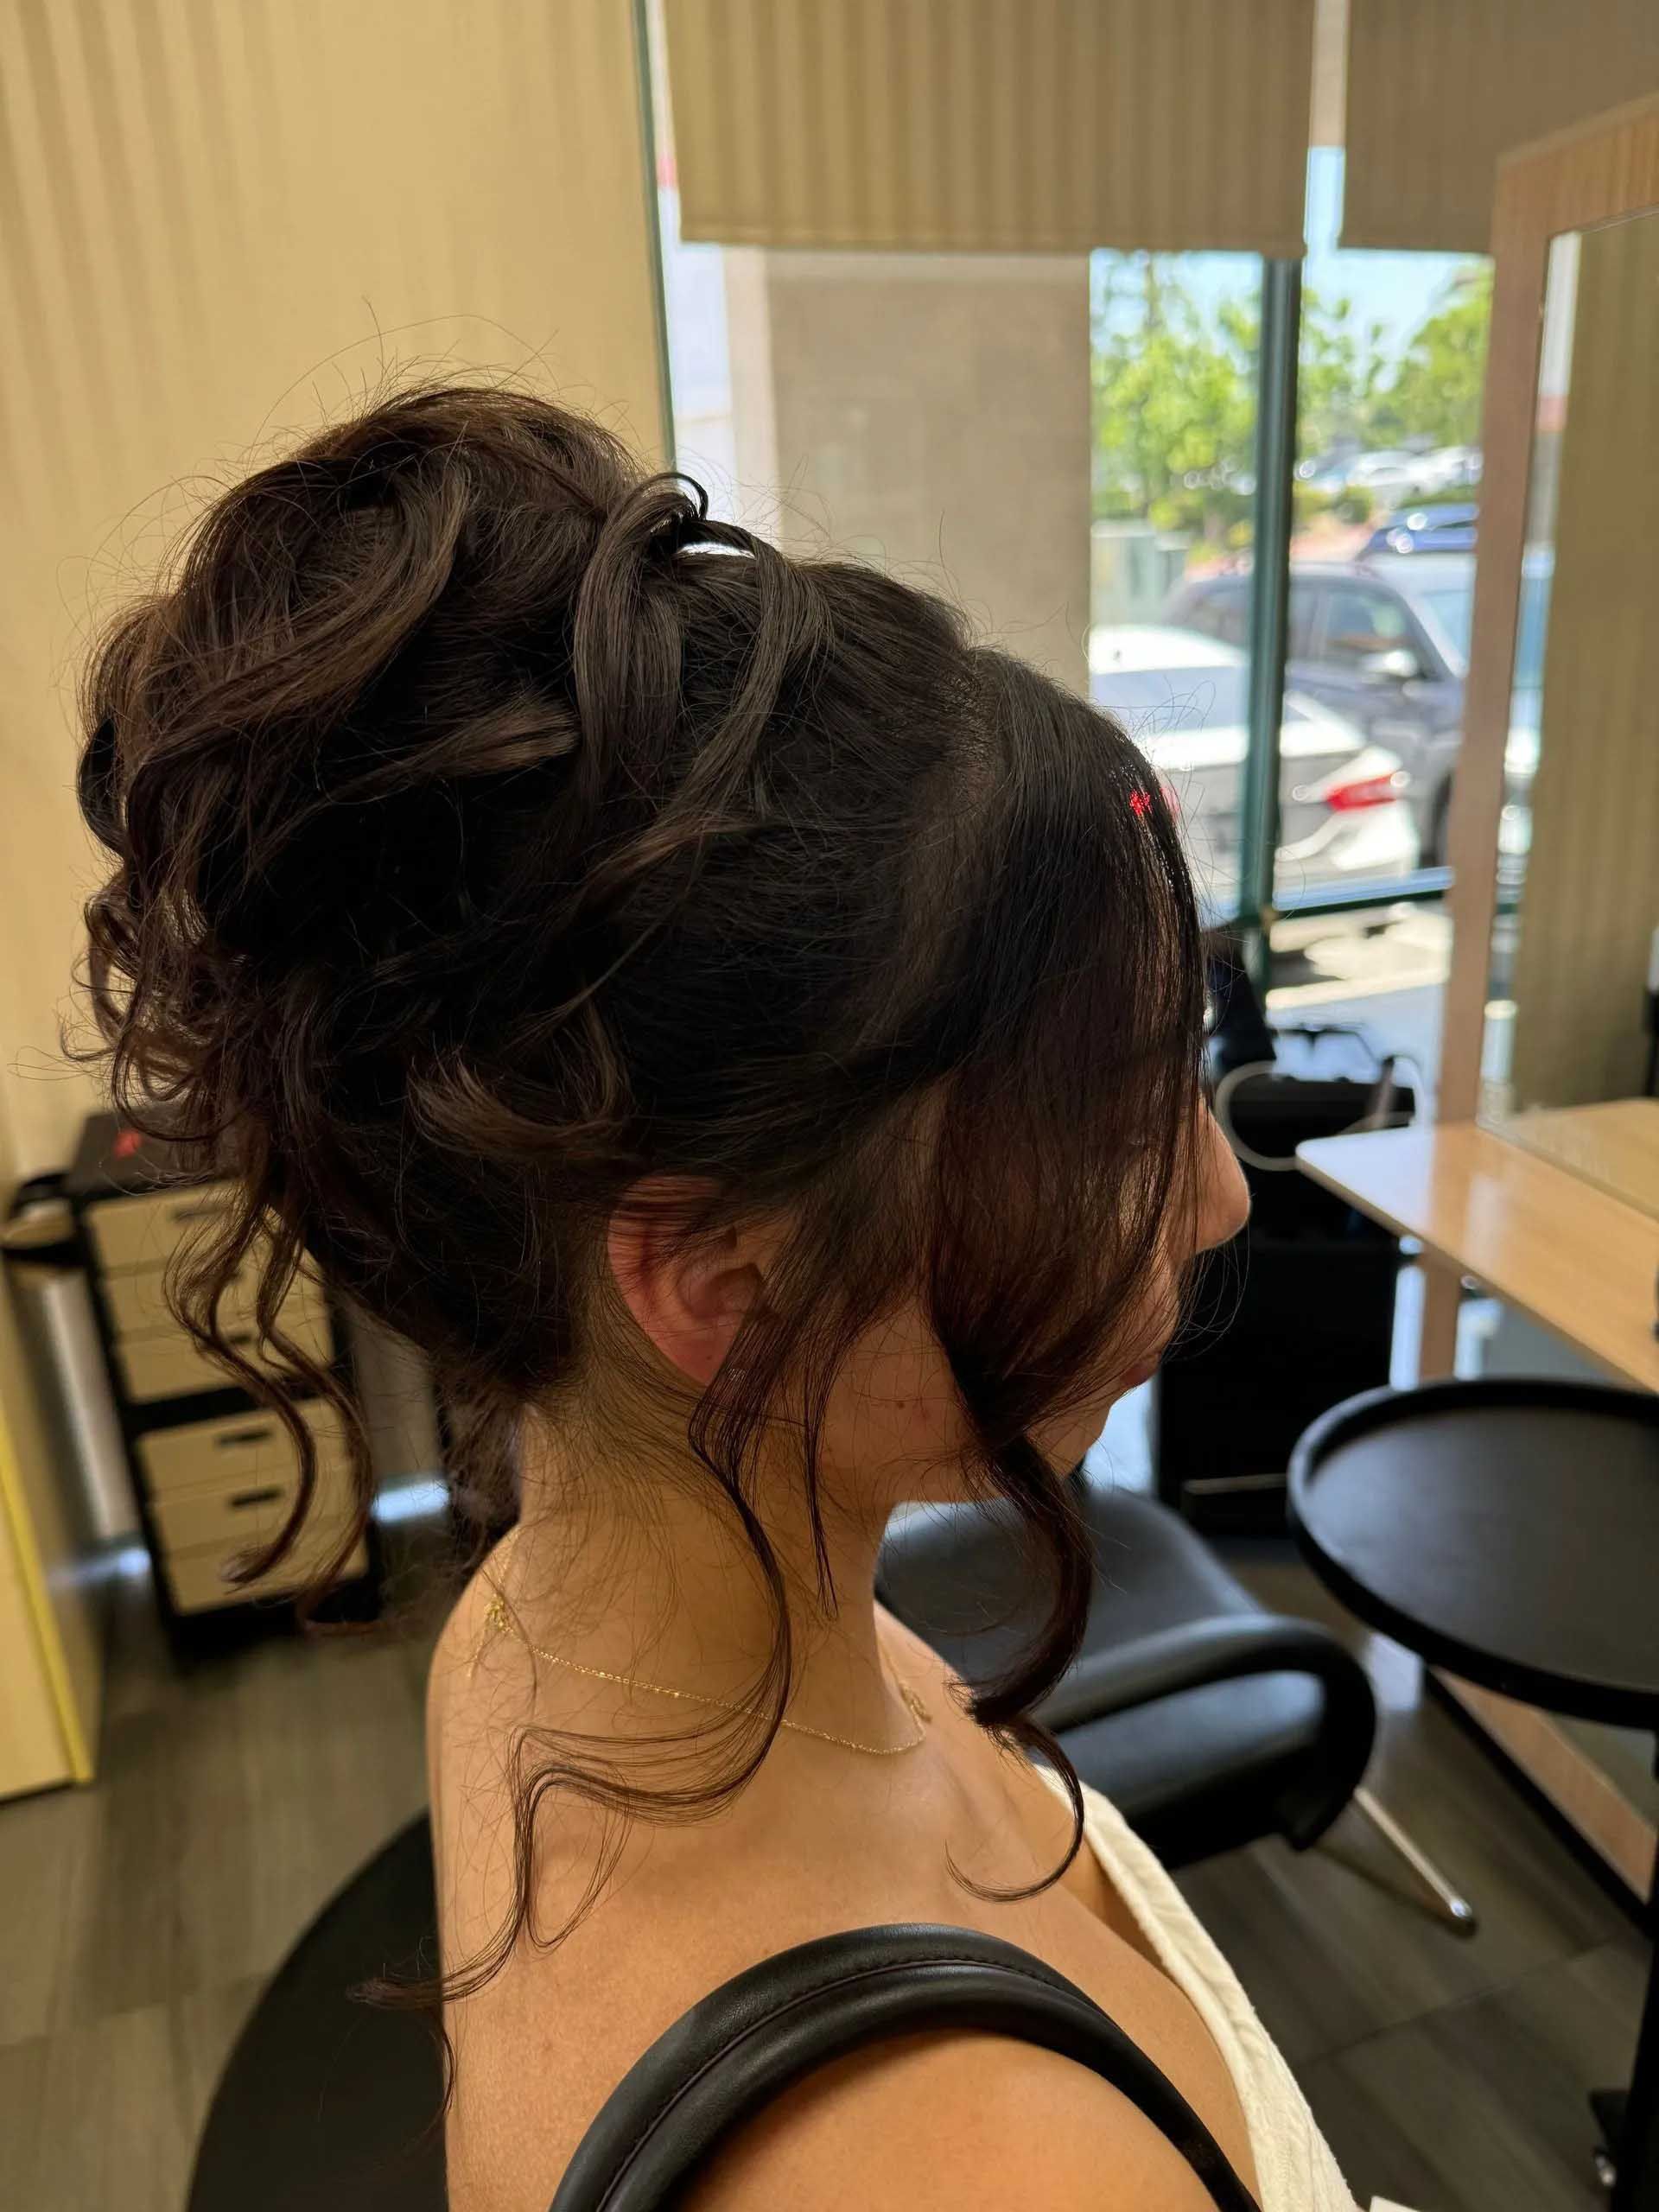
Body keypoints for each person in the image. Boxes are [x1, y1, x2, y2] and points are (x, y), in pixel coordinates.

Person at [77, 386, 1364, 2211]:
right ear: (724, 1284)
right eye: (1114, 1119)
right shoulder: (982, 2170)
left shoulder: (537, 1617)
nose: (1223, 1191)